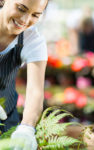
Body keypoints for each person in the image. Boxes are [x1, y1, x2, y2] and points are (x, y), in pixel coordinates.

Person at [0, 0, 48, 149]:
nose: (25, 21)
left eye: (35, 15)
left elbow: (35, 91)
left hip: (6, 120)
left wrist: (27, 128)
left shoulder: (33, 41)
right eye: (21, 9)